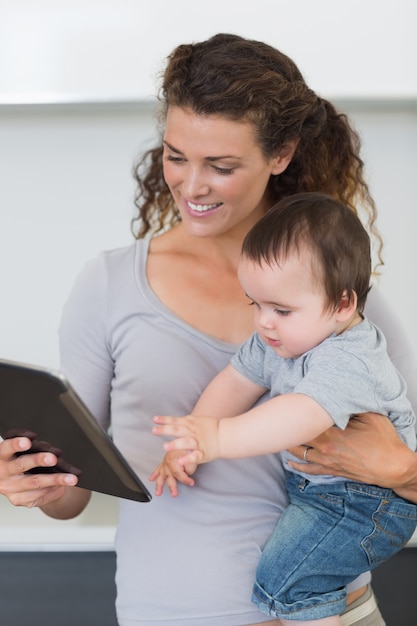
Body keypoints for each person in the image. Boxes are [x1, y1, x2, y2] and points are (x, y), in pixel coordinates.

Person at [0, 32, 416, 626]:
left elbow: (407, 465)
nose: (191, 187)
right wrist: (36, 483)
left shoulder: (340, 300)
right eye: (175, 156)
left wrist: (403, 471)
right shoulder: (111, 286)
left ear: (281, 154)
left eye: (221, 166)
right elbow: (74, 493)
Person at [151, 191, 417, 625]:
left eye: (282, 309)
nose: (264, 322)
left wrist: (219, 439)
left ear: (344, 304)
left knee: (289, 580)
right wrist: (191, 439)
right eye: (255, 304)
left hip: (368, 504)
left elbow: (301, 413)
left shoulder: (347, 356)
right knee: (289, 576)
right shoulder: (279, 340)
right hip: (325, 494)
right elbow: (234, 382)